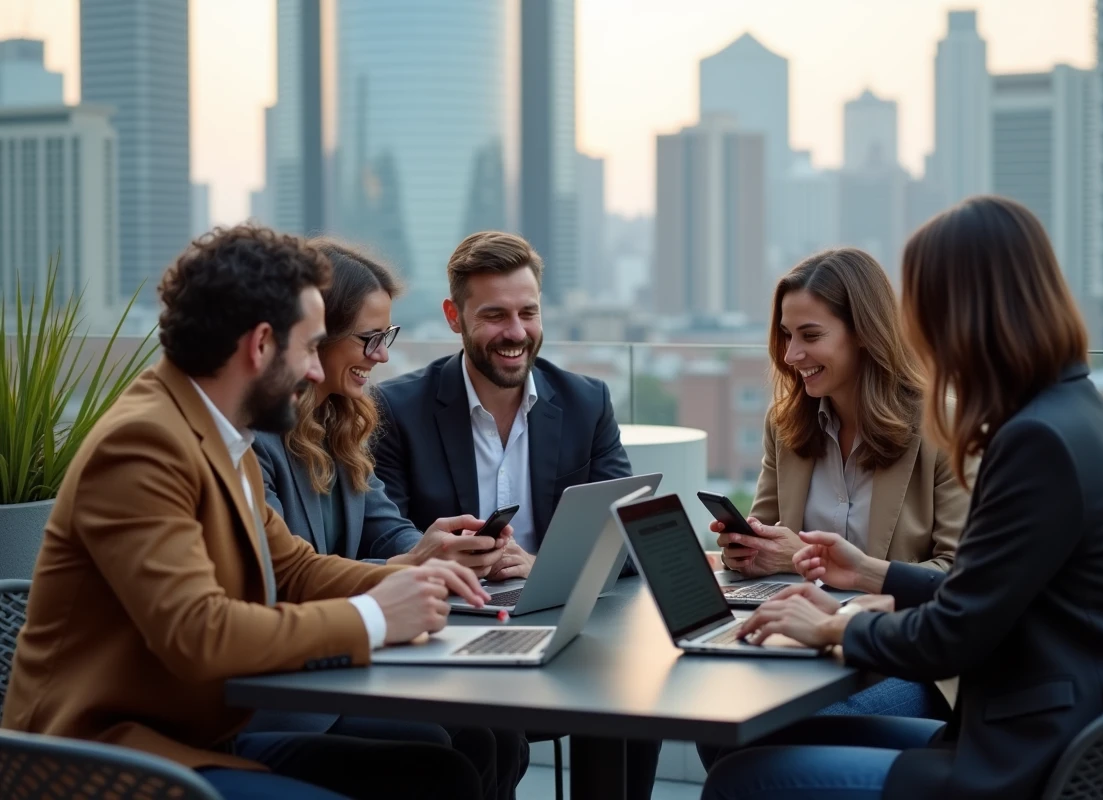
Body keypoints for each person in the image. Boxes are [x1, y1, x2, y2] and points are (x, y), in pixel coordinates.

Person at [703, 196, 1103, 799]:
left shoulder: (1033, 440)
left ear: (963, 311)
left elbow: (955, 634)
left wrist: (835, 627)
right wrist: (872, 573)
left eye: (923, 305)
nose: (917, 331)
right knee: (741, 744)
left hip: (1034, 759)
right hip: (1060, 732)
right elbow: (984, 593)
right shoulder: (1075, 412)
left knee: (741, 779)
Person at [1, 226, 493, 800]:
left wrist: (414, 582)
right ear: (261, 345)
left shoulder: (222, 435)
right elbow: (199, 633)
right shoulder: (143, 444)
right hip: (105, 761)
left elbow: (294, 567)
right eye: (309, 348)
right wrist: (374, 617)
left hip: (198, 737)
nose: (315, 371)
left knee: (441, 773)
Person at [371, 230, 661, 800]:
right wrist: (439, 555)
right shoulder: (396, 409)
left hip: (559, 625)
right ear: (454, 316)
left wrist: (544, 565)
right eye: (494, 315)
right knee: (484, 736)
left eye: (528, 312)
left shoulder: (586, 402)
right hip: (449, 632)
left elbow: (631, 536)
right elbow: (382, 531)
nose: (516, 332)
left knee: (635, 695)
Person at [250, 238, 528, 800]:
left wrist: (436, 545)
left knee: (498, 735)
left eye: (387, 337)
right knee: (438, 749)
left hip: (350, 664)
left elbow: (385, 526)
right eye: (370, 338)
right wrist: (408, 567)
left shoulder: (341, 420)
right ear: (316, 337)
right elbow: (287, 578)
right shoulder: (256, 442)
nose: (381, 356)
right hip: (294, 688)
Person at [700, 249, 969, 766]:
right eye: (786, 335)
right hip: (804, 645)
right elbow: (768, 537)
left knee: (761, 731)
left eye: (810, 335)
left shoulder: (944, 425)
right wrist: (747, 549)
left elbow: (961, 578)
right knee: (718, 717)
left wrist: (810, 562)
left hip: (909, 657)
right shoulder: (786, 424)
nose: (791, 354)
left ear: (864, 333)